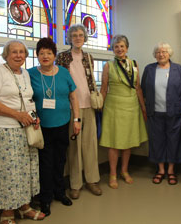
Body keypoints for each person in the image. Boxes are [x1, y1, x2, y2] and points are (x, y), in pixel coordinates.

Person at [0, 40, 45, 224]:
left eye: (22, 52)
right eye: (14, 52)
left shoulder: (25, 73)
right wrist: (16, 115)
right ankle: (7, 213)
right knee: (8, 173)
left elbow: (27, 99)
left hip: (25, 129)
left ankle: (24, 207)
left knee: (25, 171)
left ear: (26, 55)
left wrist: (33, 116)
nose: (18, 55)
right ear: (6, 55)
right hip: (3, 130)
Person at [28, 37, 81, 216]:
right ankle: (45, 198)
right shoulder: (30, 74)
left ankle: (60, 192)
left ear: (54, 55)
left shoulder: (64, 73)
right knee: (45, 163)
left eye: (48, 53)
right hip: (41, 127)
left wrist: (77, 120)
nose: (45, 56)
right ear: (37, 55)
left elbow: (73, 97)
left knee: (60, 160)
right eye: (41, 53)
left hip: (63, 123)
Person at [56, 24, 102, 199]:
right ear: (69, 38)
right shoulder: (62, 57)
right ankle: (75, 184)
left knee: (90, 145)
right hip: (70, 108)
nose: (77, 38)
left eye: (81, 35)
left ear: (85, 38)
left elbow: (90, 81)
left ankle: (92, 180)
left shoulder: (88, 57)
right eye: (74, 35)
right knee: (74, 148)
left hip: (88, 105)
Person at [99, 34, 148, 189]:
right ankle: (113, 174)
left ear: (127, 48)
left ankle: (124, 171)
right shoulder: (108, 66)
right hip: (114, 107)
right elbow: (104, 87)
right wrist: (100, 105)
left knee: (128, 141)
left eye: (122, 46)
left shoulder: (134, 64)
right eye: (116, 46)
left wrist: (143, 107)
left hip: (131, 106)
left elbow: (138, 87)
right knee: (114, 142)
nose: (119, 49)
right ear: (113, 49)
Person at [141, 42, 181, 185]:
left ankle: (171, 171)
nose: (161, 54)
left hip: (175, 113)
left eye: (164, 52)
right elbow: (143, 91)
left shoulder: (178, 69)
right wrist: (144, 109)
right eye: (158, 52)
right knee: (157, 141)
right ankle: (161, 170)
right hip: (154, 113)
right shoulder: (149, 69)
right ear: (155, 55)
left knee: (174, 141)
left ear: (169, 54)